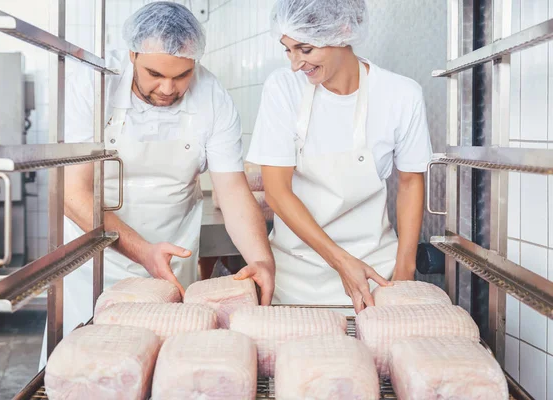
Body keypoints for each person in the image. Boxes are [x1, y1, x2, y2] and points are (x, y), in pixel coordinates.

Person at [39, 2, 275, 368]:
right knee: (86, 371)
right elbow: (72, 193)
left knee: (167, 373)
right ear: (132, 53)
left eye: (181, 76)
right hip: (94, 261)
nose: (168, 88)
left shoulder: (213, 97)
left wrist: (261, 258)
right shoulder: (92, 82)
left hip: (171, 262)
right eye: (154, 74)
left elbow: (233, 192)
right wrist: (143, 251)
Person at [246, 0, 432, 314]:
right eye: (288, 50)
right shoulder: (283, 89)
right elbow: (277, 192)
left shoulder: (401, 95)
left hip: (376, 272)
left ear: (343, 32)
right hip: (296, 276)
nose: (295, 64)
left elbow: (411, 183)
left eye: (305, 49)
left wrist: (405, 270)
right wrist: (340, 261)